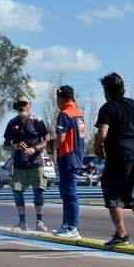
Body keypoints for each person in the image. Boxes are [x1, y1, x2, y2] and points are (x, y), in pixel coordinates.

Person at [94, 72, 134, 248]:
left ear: (107, 90)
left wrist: (97, 147)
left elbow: (102, 132)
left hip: (119, 157)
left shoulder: (107, 108)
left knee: (113, 197)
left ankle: (122, 236)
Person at [2, 94, 50, 231]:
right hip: (18, 164)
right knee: (17, 191)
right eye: (20, 105)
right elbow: (5, 145)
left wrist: (34, 148)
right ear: (17, 107)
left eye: (25, 104)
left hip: (36, 162)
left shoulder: (37, 121)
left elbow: (46, 139)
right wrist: (15, 146)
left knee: (38, 191)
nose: (22, 107)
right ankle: (22, 222)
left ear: (29, 106)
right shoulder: (12, 123)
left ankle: (39, 222)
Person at [49, 85, 87, 238]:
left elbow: (61, 138)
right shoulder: (78, 113)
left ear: (62, 98)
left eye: (58, 98)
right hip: (76, 157)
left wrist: (51, 148)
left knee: (69, 194)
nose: (57, 101)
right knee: (66, 193)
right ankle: (66, 225)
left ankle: (73, 227)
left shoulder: (64, 114)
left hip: (67, 158)